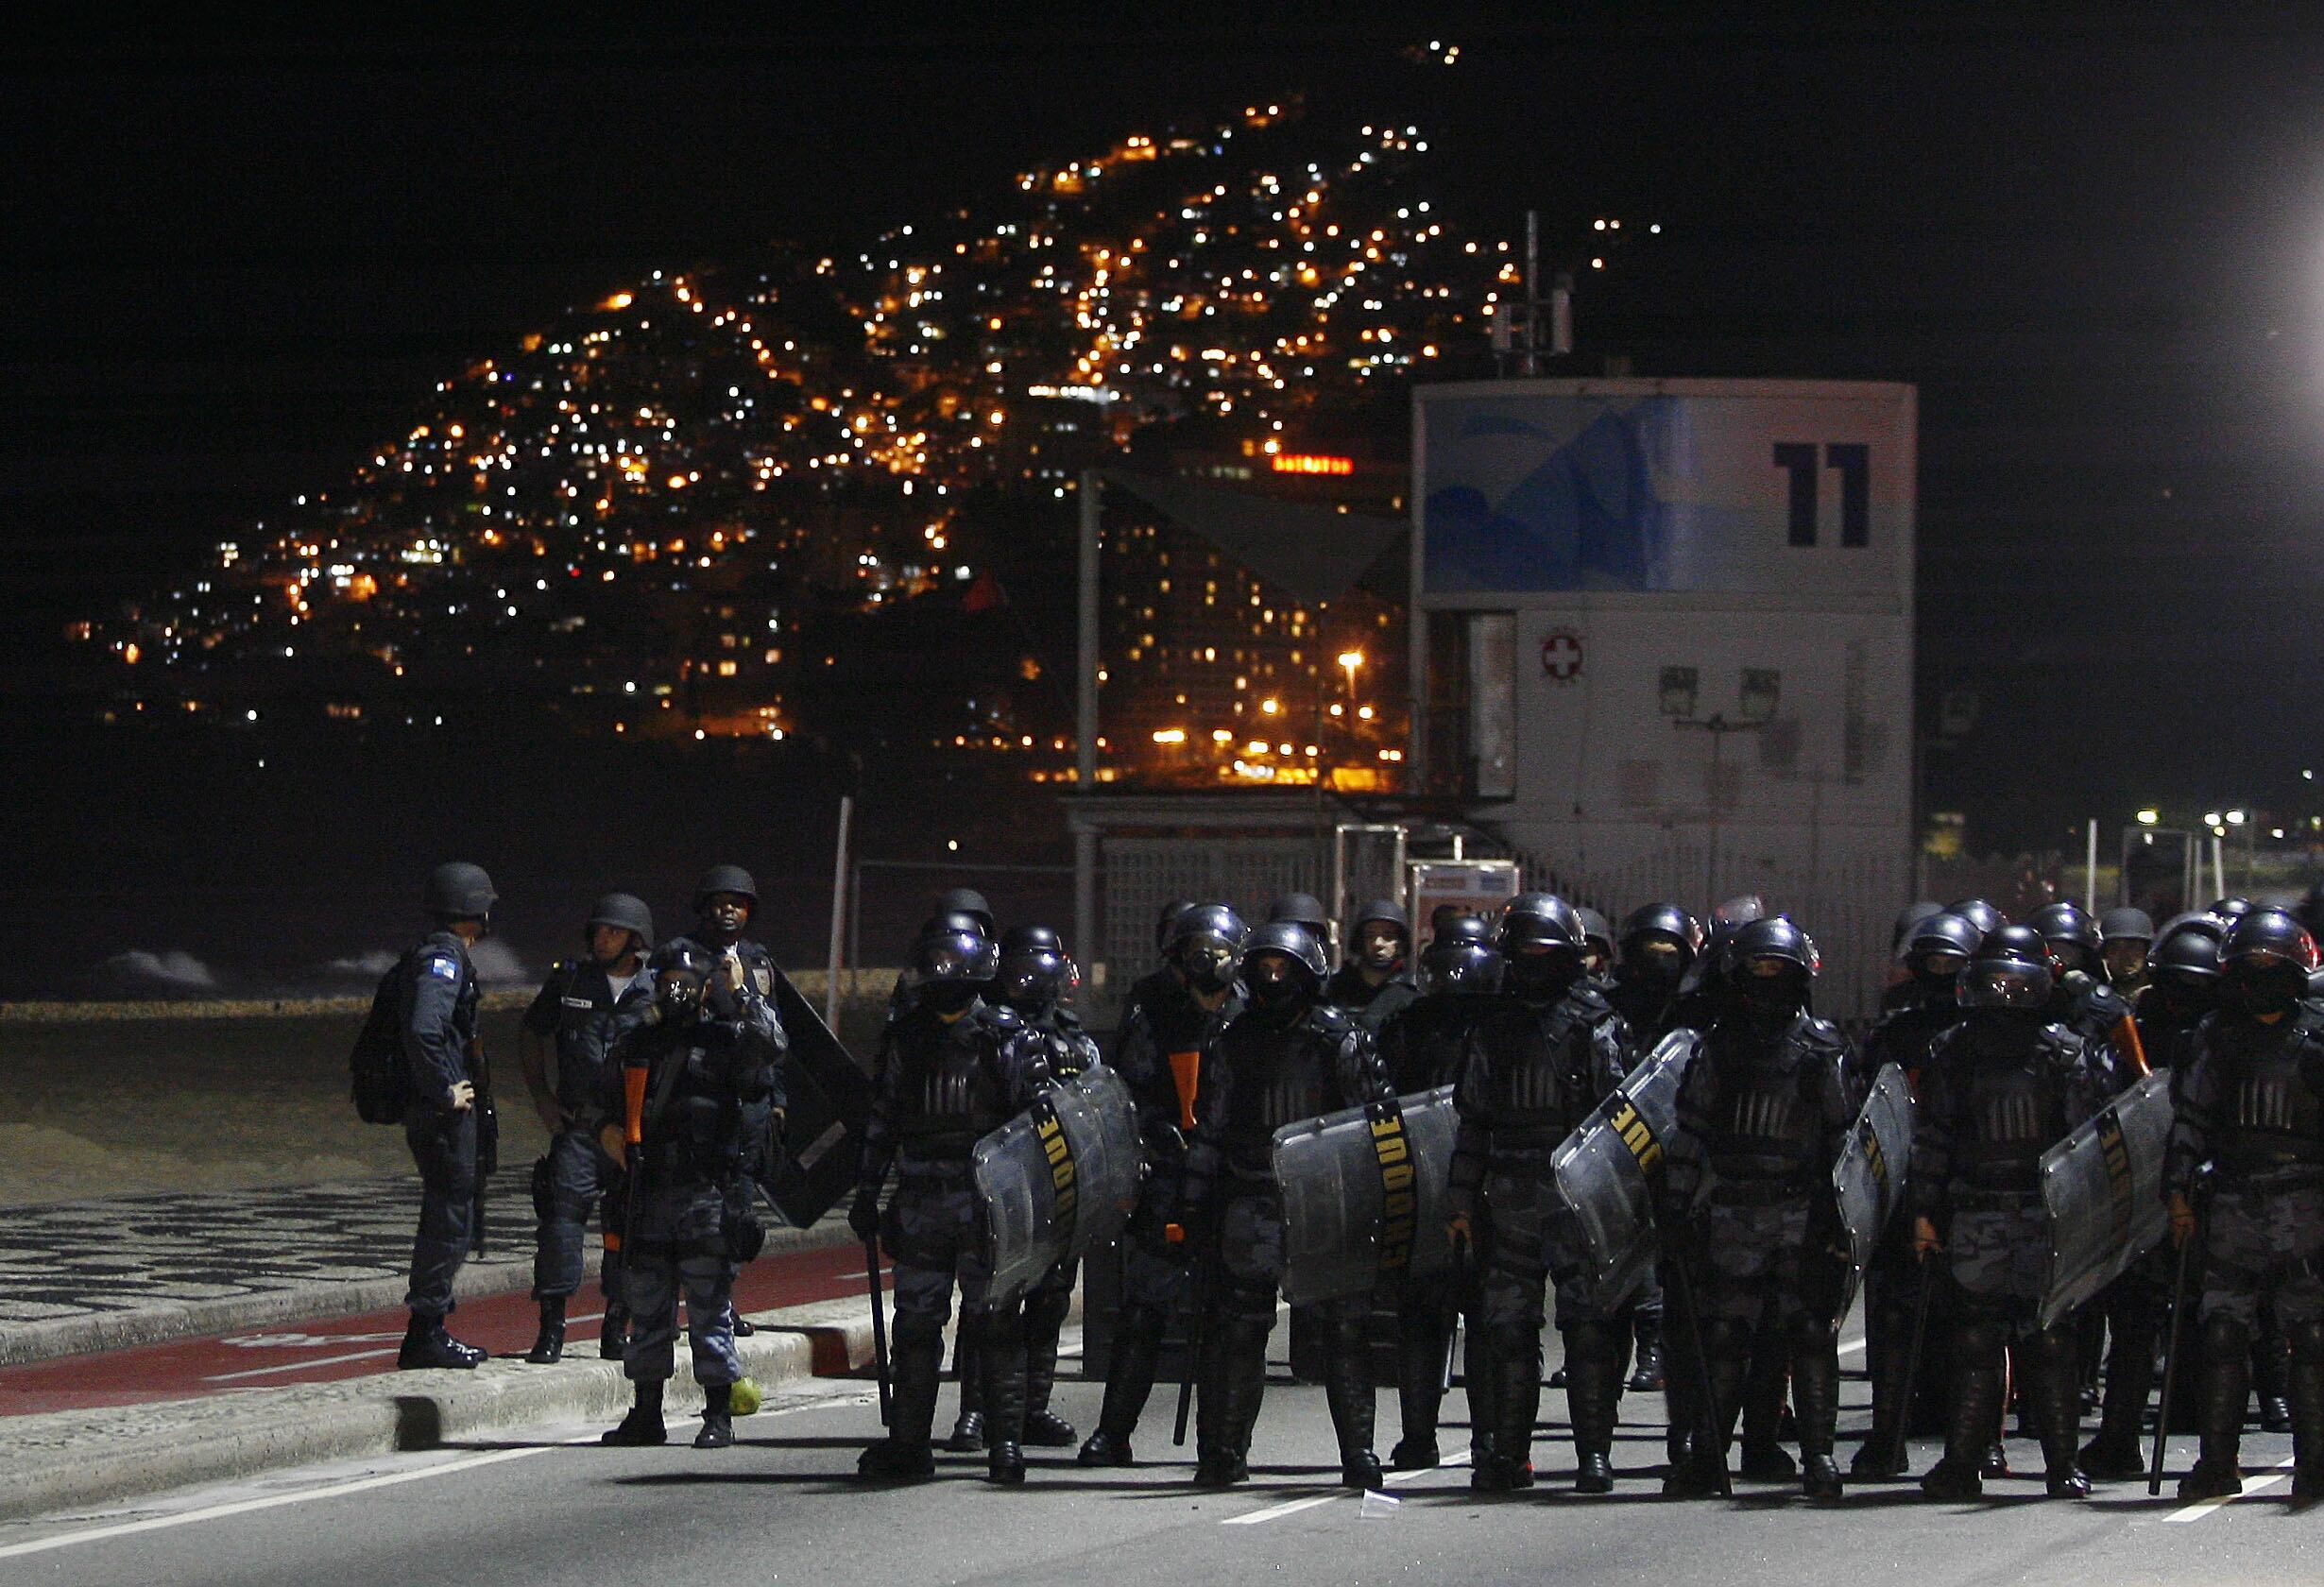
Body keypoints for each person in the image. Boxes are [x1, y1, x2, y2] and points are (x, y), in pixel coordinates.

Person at [1177, 921, 1392, 1490]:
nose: (1274, 979)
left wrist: (1371, 1198)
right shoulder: (1235, 1038)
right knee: (1237, 1330)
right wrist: (1195, 1199)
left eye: (1284, 969)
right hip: (1251, 1194)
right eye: (1264, 969)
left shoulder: (1339, 1038)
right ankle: (1223, 1451)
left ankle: (1359, 1454)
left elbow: (1371, 1123)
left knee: (1343, 1330)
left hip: (1323, 1199)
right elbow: (1211, 1123)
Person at [1660, 917, 1859, 1500]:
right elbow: (1690, 1133)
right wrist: (1674, 1203)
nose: (1767, 981)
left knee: (1810, 1334)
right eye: (1757, 969)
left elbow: (1844, 1142)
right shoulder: (1717, 1050)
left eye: (1778, 969)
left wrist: (1840, 1219)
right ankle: (1710, 1456)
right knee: (1725, 1335)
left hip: (1802, 1208)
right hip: (1733, 1209)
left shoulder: (1822, 1050)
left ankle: (1819, 1457)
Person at [853, 921, 1052, 1483]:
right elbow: (884, 1117)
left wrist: (1030, 1201)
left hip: (986, 1201)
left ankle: (1005, 1444)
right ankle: (910, 1442)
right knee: (916, 1327)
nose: (942, 972)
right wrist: (868, 1190)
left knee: (996, 1324)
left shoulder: (1008, 1036)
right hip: (920, 1200)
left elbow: (1034, 1127)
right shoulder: (907, 1036)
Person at [1449, 894, 1634, 1493]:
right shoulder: (1492, 1026)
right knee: (1506, 1329)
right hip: (1507, 1192)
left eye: (1546, 951)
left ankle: (1593, 1454)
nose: (1535, 961)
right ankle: (1508, 1453)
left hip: (1575, 1192)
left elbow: (1617, 1120)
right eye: (1525, 951)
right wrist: (1459, 1199)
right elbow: (1471, 1117)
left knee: (1589, 1327)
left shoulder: (1596, 1023)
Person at [1912, 926, 2106, 1500]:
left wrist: (2085, 1220)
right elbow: (1934, 1138)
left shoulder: (2065, 1053)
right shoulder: (1955, 1050)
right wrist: (1924, 1212)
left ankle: (2061, 1464)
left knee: (2048, 1340)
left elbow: (2085, 1143)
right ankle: (1964, 1463)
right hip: (1978, 1209)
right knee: (1975, 1340)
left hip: (2044, 1213)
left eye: (2015, 982)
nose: (2005, 995)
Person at [2162, 906, 2324, 1506]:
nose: (2260, 976)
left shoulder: (2318, 1034)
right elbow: (2190, 1121)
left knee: (2309, 1336)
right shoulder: (2215, 1037)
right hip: (2231, 1198)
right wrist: (2177, 1194)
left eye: (2270, 965)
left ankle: (2316, 1462)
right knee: (2223, 1334)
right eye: (2249, 966)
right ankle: (2216, 1463)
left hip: (2305, 1200)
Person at [597, 940, 786, 1449]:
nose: (675, 990)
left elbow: (771, 1045)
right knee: (649, 1307)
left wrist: (740, 990)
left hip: (706, 1192)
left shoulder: (725, 1038)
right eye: (666, 982)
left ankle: (718, 1413)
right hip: (650, 1190)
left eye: (687, 981)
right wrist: (608, 1132)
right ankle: (647, 1412)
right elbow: (603, 1096)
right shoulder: (640, 1040)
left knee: (710, 1308)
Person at [1077, 903, 1246, 1466]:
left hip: (1234, 1177)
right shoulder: (1153, 1005)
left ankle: (1221, 1444)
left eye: (1219, 953)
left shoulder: (1253, 1011)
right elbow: (1131, 1082)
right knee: (1144, 1306)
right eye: (1198, 952)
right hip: (1170, 1177)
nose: (1208, 963)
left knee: (1231, 1313)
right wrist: (1157, 1130)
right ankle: (1113, 1430)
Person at [1849, 909, 1977, 1477]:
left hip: (1969, 1190)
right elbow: (1866, 1114)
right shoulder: (1892, 1036)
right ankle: (1890, 1431)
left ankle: (1974, 1440)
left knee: (1973, 1320)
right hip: (1902, 1189)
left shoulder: (1989, 1041)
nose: (1942, 975)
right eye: (1933, 963)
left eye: (1954, 964)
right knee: (1895, 1322)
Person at [1375, 916, 1501, 1468]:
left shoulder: (1502, 1027)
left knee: (1481, 1317)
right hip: (1424, 1176)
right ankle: (1422, 1433)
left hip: (1488, 1181)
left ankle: (1487, 1437)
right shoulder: (1408, 1025)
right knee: (1427, 1315)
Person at [519, 892, 656, 1364]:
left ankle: (617, 1325)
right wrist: (542, 1098)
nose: (602, 939)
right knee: (559, 1222)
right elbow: (531, 1033)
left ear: (636, 939)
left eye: (613, 931)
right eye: (598, 930)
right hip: (578, 1128)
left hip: (634, 1134)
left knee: (628, 1230)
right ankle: (551, 1328)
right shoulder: (570, 981)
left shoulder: (659, 988)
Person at [662, 866, 791, 1340]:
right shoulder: (680, 956)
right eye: (719, 902)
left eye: (737, 903)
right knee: (687, 1209)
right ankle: (671, 1307)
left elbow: (777, 1034)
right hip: (698, 1106)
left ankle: (722, 1303)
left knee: (737, 1210)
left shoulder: (758, 962)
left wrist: (776, 1099)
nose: (728, 911)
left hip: (747, 1108)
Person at [992, 925, 1102, 1451]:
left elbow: (1098, 1110)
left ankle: (1032, 1406)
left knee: (1050, 1304)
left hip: (1061, 1188)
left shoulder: (1076, 1040)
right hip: (1008, 1191)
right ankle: (984, 1413)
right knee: (994, 1307)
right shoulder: (990, 1031)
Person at [397, 861, 495, 1372]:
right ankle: (426, 1331)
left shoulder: (438, 953)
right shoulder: (444, 959)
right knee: (448, 1217)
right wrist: (444, 1090)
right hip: (442, 1118)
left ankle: (429, 1328)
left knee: (451, 1213)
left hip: (436, 1114)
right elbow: (424, 1029)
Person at [1324, 897, 1417, 1036]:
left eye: (1388, 936)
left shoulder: (1412, 996)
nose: (1378, 943)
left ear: (1400, 944)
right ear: (1360, 942)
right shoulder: (1335, 988)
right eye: (1370, 936)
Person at [2099, 907, 2155, 1000]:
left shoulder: (2162, 998)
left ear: (2147, 951)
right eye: (2115, 948)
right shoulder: (2097, 997)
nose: (2125, 957)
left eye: (2133, 948)